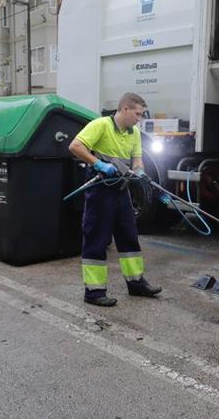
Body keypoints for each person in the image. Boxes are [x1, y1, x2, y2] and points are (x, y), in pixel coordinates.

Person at [68, 92, 163, 307]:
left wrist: (140, 173)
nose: (139, 118)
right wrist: (98, 163)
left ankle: (136, 283)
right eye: (137, 114)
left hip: (121, 189)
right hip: (100, 189)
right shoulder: (100, 125)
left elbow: (137, 161)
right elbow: (75, 146)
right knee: (97, 237)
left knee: (129, 235)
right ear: (125, 109)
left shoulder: (135, 133)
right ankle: (93, 292)